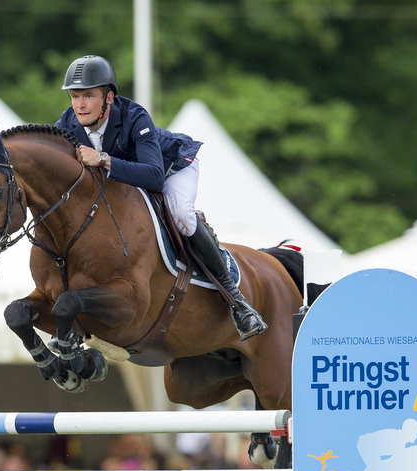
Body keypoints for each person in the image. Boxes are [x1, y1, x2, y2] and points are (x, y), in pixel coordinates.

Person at [55, 55, 266, 341]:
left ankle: (237, 301)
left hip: (172, 167)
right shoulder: (67, 124)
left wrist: (103, 158)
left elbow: (154, 176)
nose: (80, 105)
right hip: (127, 179)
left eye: (89, 96)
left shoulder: (134, 116)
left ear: (108, 98)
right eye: (75, 96)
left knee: (181, 214)